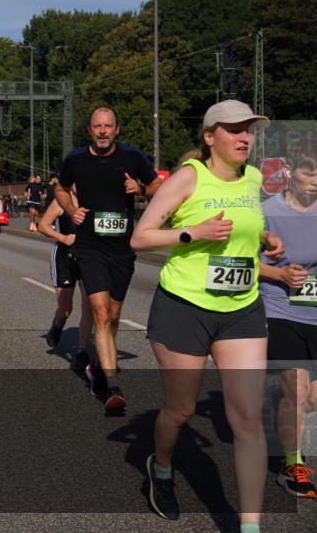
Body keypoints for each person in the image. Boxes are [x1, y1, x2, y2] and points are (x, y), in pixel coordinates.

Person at [131, 100, 283, 527]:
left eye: (249, 129)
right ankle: (161, 467)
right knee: (180, 410)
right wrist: (192, 233)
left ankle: (250, 525)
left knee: (249, 419)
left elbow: (246, 220)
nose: (245, 137)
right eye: (234, 129)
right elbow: (140, 239)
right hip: (185, 308)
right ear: (210, 136)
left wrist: (266, 237)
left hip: (241, 310)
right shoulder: (187, 178)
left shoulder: (254, 179)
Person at [56, 106, 162, 412]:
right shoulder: (75, 159)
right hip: (89, 247)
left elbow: (157, 186)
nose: (102, 131)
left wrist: (140, 188)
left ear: (117, 129)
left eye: (108, 126)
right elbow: (61, 188)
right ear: (89, 129)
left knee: (113, 317)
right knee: (101, 314)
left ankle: (100, 369)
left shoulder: (132, 157)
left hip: (122, 249)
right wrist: (69, 209)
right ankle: (113, 388)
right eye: (97, 126)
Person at [258, 145, 317, 499]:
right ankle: (292, 464)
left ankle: (280, 401)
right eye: (309, 173)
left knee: (310, 399)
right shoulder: (267, 212)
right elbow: (244, 261)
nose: (315, 181)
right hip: (279, 309)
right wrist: (278, 274)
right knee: (297, 389)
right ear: (290, 172)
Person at [37, 185, 93, 370]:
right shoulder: (61, 200)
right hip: (64, 257)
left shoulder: (93, 198)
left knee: (90, 305)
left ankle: (82, 350)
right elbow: (42, 225)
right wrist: (62, 238)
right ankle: (58, 323)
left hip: (88, 257)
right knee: (66, 308)